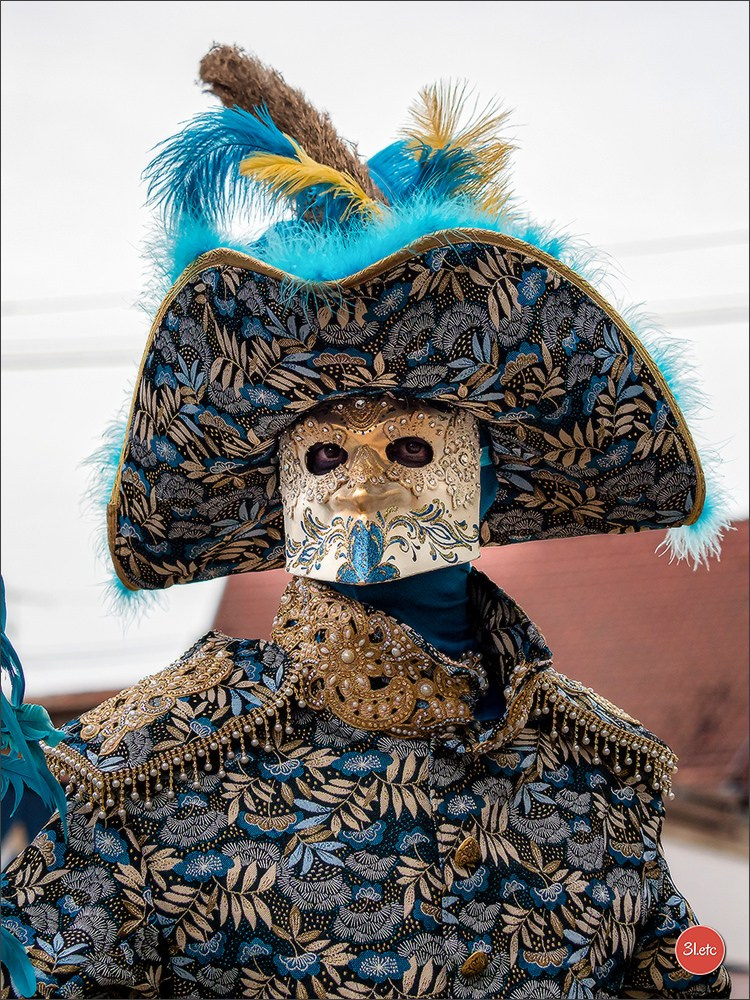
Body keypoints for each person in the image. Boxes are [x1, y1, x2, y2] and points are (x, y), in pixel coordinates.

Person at [1, 45, 732, 999]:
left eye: (413, 450)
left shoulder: (599, 769)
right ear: (281, 484)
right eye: (324, 458)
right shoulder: (146, 772)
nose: (361, 491)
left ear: (484, 476)